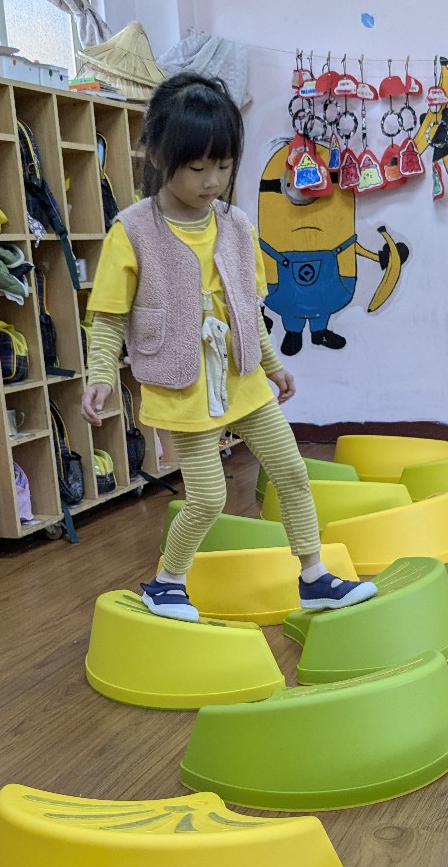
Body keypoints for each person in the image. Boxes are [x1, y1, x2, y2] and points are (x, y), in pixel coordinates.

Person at [81, 72, 378, 623]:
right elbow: (109, 316)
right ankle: (166, 583)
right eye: (197, 168)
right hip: (182, 386)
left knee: (292, 472)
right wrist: (100, 374)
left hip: (241, 377)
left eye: (223, 166)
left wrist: (273, 364)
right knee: (208, 496)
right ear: (159, 157)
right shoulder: (133, 230)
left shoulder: (237, 225)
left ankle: (314, 577)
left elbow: (247, 307)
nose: (212, 180)